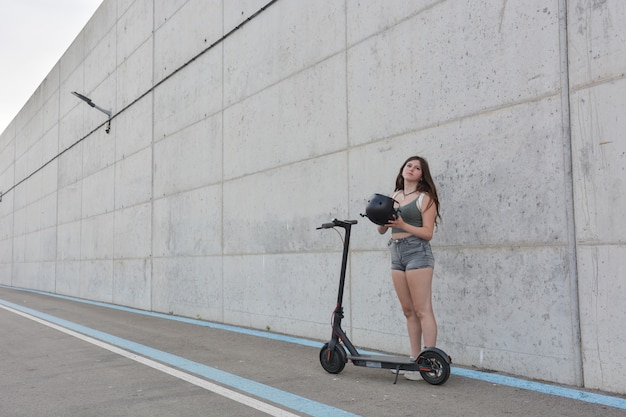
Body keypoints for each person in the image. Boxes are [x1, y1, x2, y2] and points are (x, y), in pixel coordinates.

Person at [377, 155, 441, 380]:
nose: (412, 169)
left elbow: (428, 233)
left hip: (417, 252)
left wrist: (403, 224)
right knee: (408, 311)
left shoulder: (426, 198)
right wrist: (382, 222)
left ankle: (430, 362)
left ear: (422, 175)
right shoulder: (393, 196)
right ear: (403, 169)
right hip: (396, 252)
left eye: (417, 168)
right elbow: (382, 230)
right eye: (409, 165)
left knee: (423, 309)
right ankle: (415, 360)